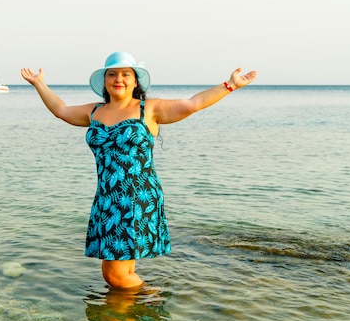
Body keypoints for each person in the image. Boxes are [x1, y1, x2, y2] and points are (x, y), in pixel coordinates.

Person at [21, 52, 257, 289]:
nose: (118, 79)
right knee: (118, 272)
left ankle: (153, 304)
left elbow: (192, 104)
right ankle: (131, 316)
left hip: (137, 196)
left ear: (135, 82)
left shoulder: (149, 109)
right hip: (106, 199)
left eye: (126, 74)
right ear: (104, 81)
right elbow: (60, 110)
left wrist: (230, 85)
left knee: (115, 276)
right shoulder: (93, 112)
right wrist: (39, 84)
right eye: (112, 74)